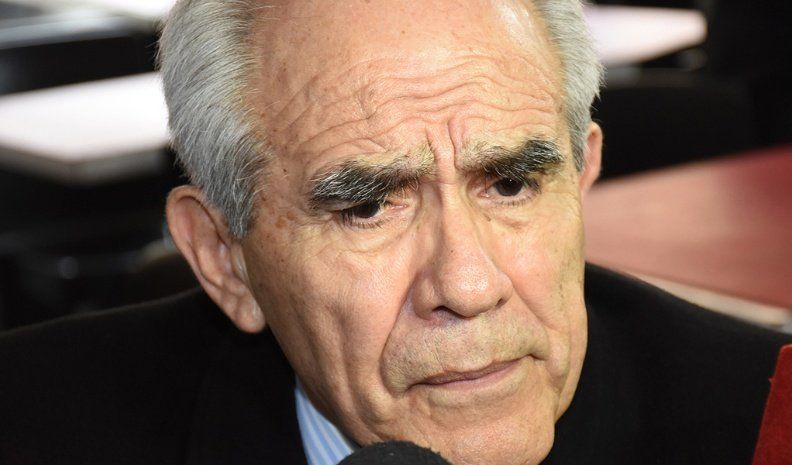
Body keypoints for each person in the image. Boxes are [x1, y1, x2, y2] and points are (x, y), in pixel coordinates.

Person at [0, 1, 789, 464]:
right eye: (367, 206)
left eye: (511, 183)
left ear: (581, 180)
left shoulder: (762, 423)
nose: (468, 286)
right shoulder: (34, 423)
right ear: (223, 258)